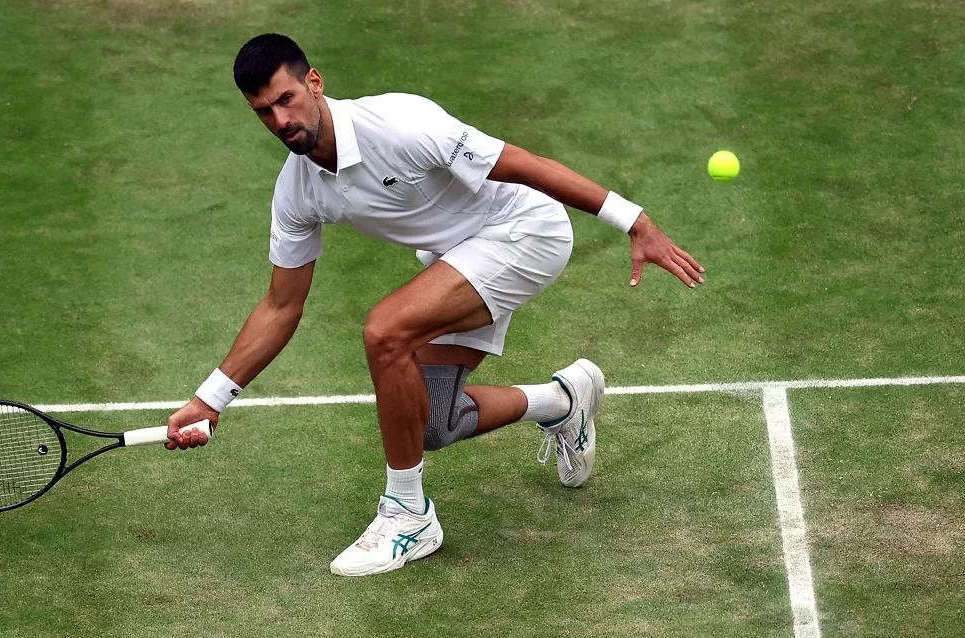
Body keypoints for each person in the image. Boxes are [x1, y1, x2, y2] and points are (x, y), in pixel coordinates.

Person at [166, 33, 704, 577]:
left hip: (524, 231)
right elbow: (281, 307)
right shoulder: (297, 192)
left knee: (385, 331)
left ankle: (407, 514)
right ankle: (563, 402)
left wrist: (634, 220)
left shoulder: (399, 124)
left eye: (286, 100)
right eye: (263, 112)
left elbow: (524, 163)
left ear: (314, 82)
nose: (280, 120)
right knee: (429, 423)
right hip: (458, 256)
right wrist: (210, 399)